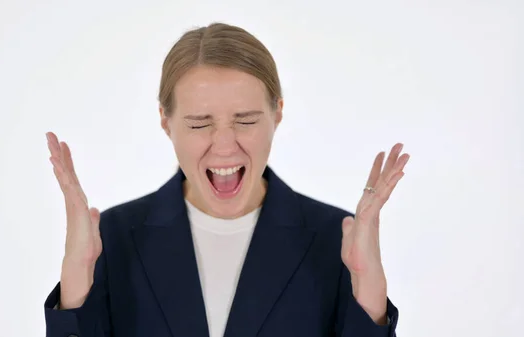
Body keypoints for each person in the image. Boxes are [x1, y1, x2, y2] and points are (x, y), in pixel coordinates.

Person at [43, 22, 409, 337]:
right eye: (200, 123)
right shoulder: (113, 239)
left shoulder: (336, 241)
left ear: (277, 113)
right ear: (165, 121)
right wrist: (75, 283)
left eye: (246, 121)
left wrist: (367, 291)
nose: (224, 146)